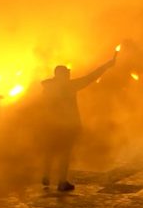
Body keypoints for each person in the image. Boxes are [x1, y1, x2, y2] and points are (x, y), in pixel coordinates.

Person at [40, 54, 116, 191]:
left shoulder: (48, 87)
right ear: (62, 75)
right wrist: (107, 65)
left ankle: (46, 175)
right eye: (66, 74)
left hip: (49, 124)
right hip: (66, 125)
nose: (69, 75)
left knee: (49, 151)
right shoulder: (70, 86)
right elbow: (90, 77)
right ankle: (62, 182)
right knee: (65, 153)